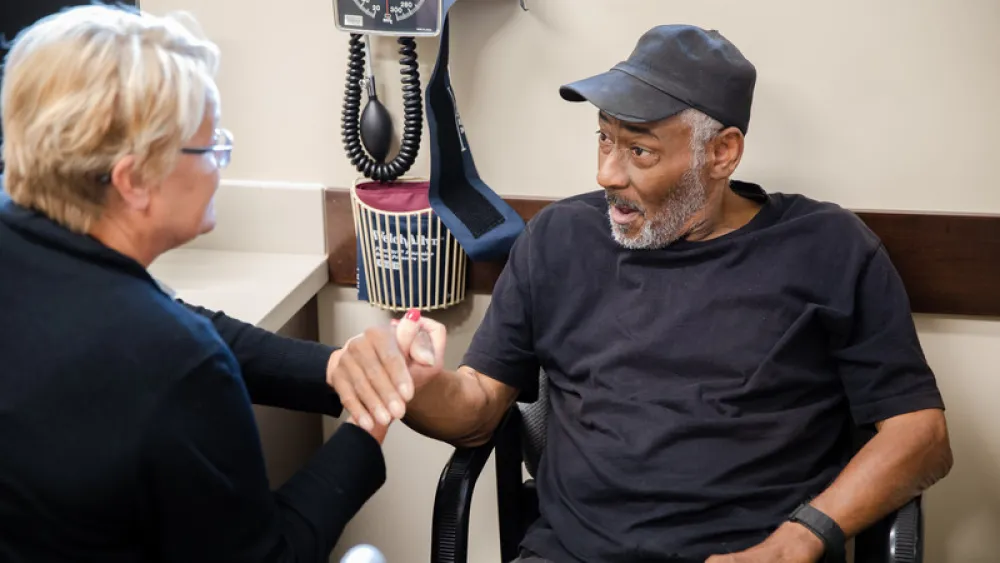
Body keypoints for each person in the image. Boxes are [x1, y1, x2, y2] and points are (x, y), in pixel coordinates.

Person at [327, 24, 954, 563]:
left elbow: (920, 436)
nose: (607, 173)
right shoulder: (559, 241)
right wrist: (408, 381)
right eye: (604, 138)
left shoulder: (829, 249)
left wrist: (803, 537)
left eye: (639, 150)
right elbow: (476, 410)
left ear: (722, 153)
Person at [0, 5, 435, 562]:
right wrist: (370, 421)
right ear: (133, 180)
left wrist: (334, 368)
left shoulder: (51, 267)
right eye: (210, 149)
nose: (220, 164)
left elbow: (176, 321)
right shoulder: (178, 367)